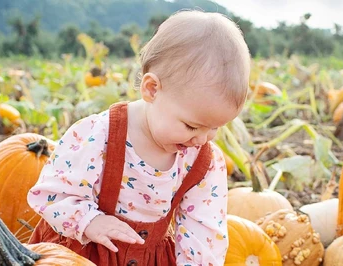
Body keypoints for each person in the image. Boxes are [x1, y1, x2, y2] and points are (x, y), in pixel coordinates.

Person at [27, 9, 250, 266]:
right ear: (152, 89)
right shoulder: (99, 135)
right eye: (191, 126)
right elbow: (52, 194)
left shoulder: (204, 162)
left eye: (214, 128)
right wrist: (89, 221)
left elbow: (204, 232)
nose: (202, 139)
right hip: (82, 251)